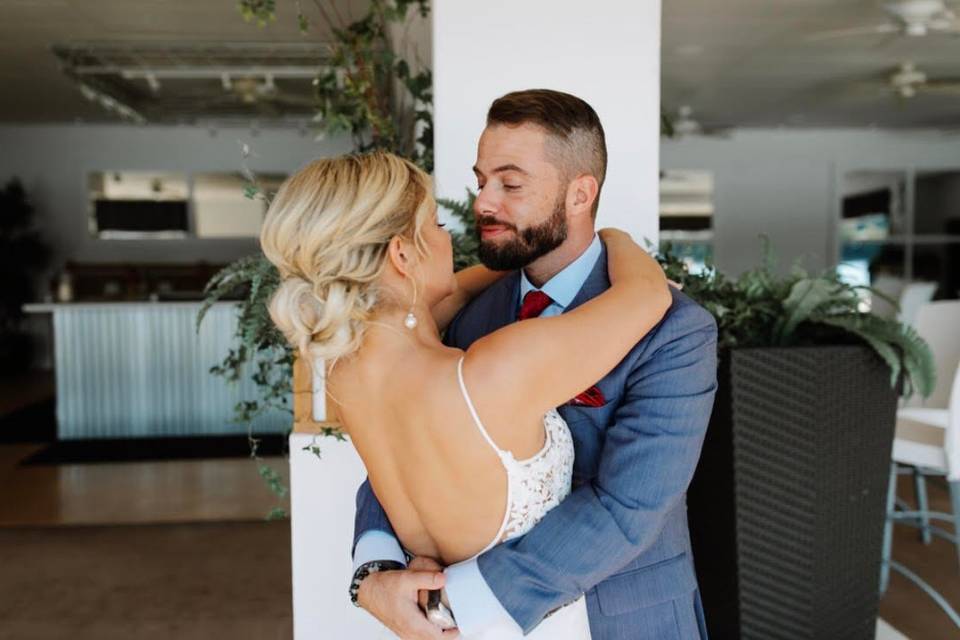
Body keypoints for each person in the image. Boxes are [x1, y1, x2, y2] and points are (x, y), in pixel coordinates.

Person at [351, 90, 719, 640]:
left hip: (627, 621)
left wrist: (463, 603)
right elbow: (398, 443)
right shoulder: (459, 316)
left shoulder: (675, 329)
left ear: (580, 193)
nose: (482, 203)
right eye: (481, 182)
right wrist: (375, 568)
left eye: (511, 183)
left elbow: (629, 505)